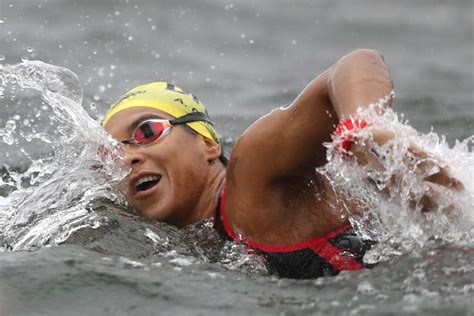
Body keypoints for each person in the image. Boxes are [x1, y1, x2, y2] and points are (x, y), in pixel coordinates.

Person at [102, 49, 463, 278]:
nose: (129, 157)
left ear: (208, 145)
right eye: (111, 155)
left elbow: (358, 62)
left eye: (147, 132)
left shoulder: (252, 172)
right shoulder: (194, 238)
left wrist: (363, 128)